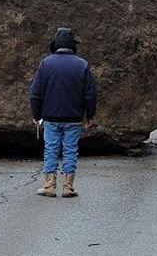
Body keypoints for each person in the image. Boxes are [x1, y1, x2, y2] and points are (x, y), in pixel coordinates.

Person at [30, 27, 96, 198]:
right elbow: (90, 94)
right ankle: (68, 186)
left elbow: (35, 93)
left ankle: (49, 185)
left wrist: (36, 115)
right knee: (70, 150)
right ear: (73, 45)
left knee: (51, 149)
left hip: (50, 116)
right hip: (74, 117)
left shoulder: (46, 63)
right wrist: (89, 115)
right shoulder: (81, 64)